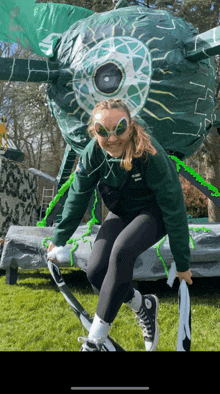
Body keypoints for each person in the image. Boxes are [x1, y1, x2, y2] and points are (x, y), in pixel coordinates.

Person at [48, 99, 192, 351]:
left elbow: (175, 207)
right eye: (102, 131)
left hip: (153, 212)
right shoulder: (92, 153)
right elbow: (77, 196)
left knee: (122, 251)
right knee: (95, 272)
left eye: (120, 128)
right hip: (122, 213)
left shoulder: (150, 153)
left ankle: (94, 341)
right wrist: (59, 238)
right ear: (94, 131)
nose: (112, 138)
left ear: (131, 125)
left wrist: (182, 263)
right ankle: (142, 305)